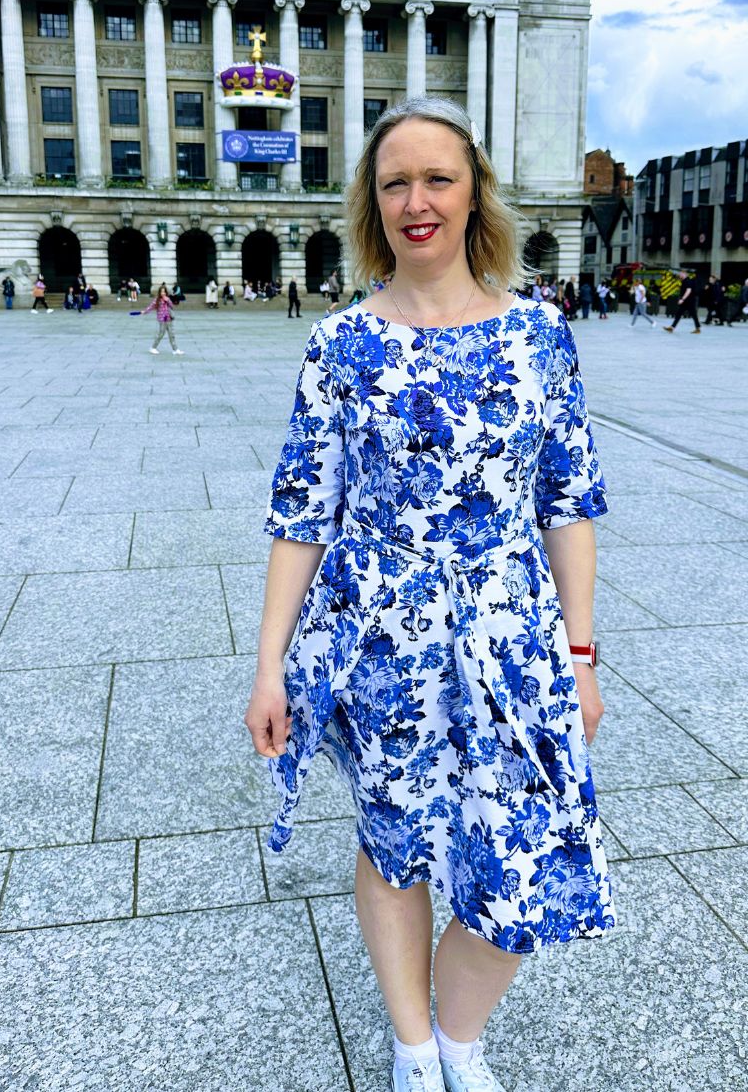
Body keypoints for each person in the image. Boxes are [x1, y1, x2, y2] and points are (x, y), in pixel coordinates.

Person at [245, 97, 614, 1092]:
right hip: (379, 640)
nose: (417, 200)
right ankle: (418, 1051)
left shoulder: (542, 337)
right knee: (396, 842)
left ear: (473, 193)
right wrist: (270, 665)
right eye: (395, 181)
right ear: (374, 202)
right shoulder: (340, 344)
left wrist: (581, 656)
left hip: (512, 635)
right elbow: (300, 512)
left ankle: (460, 1036)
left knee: (526, 858)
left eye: (437, 178)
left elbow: (569, 502)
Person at [141, 284, 184, 356]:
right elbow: (151, 307)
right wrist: (144, 311)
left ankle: (175, 349)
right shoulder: (157, 300)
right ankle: (153, 348)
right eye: (161, 292)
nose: (163, 293)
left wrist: (168, 301)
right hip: (162, 319)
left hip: (169, 318)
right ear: (159, 292)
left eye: (164, 292)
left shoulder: (167, 299)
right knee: (161, 334)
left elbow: (172, 306)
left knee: (172, 334)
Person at [663, 269, 701, 334]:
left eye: (681, 273)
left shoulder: (688, 281)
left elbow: (688, 291)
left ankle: (698, 329)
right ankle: (672, 327)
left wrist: (682, 299)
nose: (680, 275)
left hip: (689, 301)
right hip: (686, 301)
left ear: (685, 274)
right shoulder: (684, 281)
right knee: (679, 314)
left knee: (693, 315)